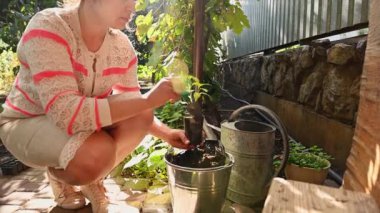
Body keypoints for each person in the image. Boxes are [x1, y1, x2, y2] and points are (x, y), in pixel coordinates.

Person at [0, 0, 190, 212]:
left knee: (140, 115)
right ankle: (60, 176)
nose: (132, 7)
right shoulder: (50, 26)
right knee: (97, 153)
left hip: (77, 124)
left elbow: (134, 107)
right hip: (26, 122)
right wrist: (147, 100)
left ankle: (91, 178)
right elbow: (66, 112)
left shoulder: (122, 48)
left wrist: (166, 132)